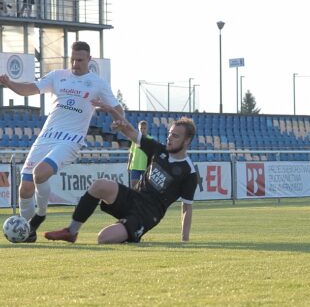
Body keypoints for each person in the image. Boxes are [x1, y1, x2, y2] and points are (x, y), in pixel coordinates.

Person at [0, 41, 123, 242]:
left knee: (40, 173)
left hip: (71, 139)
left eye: (80, 60)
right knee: (25, 188)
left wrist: (118, 121)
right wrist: (10, 84)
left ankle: (40, 216)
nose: (75, 64)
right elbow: (30, 88)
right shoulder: (57, 76)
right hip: (46, 136)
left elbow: (117, 108)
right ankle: (28, 232)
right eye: (72, 59)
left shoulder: (97, 83)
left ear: (89, 59)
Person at [44, 105, 198, 244]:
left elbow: (186, 207)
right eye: (170, 134)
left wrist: (184, 240)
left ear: (186, 141)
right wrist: (113, 113)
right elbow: (132, 132)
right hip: (133, 197)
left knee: (103, 238)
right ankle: (71, 232)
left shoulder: (189, 171)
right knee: (100, 185)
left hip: (147, 214)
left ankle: (130, 231)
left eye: (175, 136)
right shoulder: (159, 149)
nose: (169, 138)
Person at [128, 120, 152, 188]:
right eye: (141, 128)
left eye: (144, 128)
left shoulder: (150, 140)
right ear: (138, 128)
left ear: (147, 129)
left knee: (146, 186)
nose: (143, 130)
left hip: (145, 166)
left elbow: (152, 155)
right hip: (134, 166)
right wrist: (128, 164)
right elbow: (131, 152)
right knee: (134, 185)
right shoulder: (135, 139)